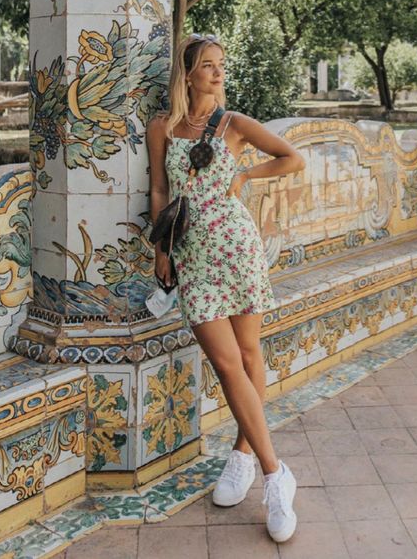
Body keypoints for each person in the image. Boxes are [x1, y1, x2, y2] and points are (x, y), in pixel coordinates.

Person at [146, 32, 306, 543]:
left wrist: (245, 177)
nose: (217, 73)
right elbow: (158, 188)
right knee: (225, 361)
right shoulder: (163, 128)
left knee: (248, 353)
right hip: (193, 257)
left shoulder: (234, 124)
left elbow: (291, 157)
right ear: (188, 74)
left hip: (237, 248)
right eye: (207, 66)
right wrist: (162, 249)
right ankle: (275, 469)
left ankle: (252, 464)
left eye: (221, 64)